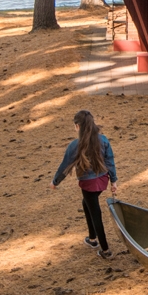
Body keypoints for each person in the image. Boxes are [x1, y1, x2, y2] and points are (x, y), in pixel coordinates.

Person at [52, 110, 118, 258]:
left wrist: (55, 182)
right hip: (102, 181)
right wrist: (113, 180)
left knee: (95, 213)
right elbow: (110, 161)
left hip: (88, 184)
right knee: (86, 203)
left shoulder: (75, 145)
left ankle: (105, 250)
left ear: (78, 126)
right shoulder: (103, 140)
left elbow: (64, 166)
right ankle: (92, 238)